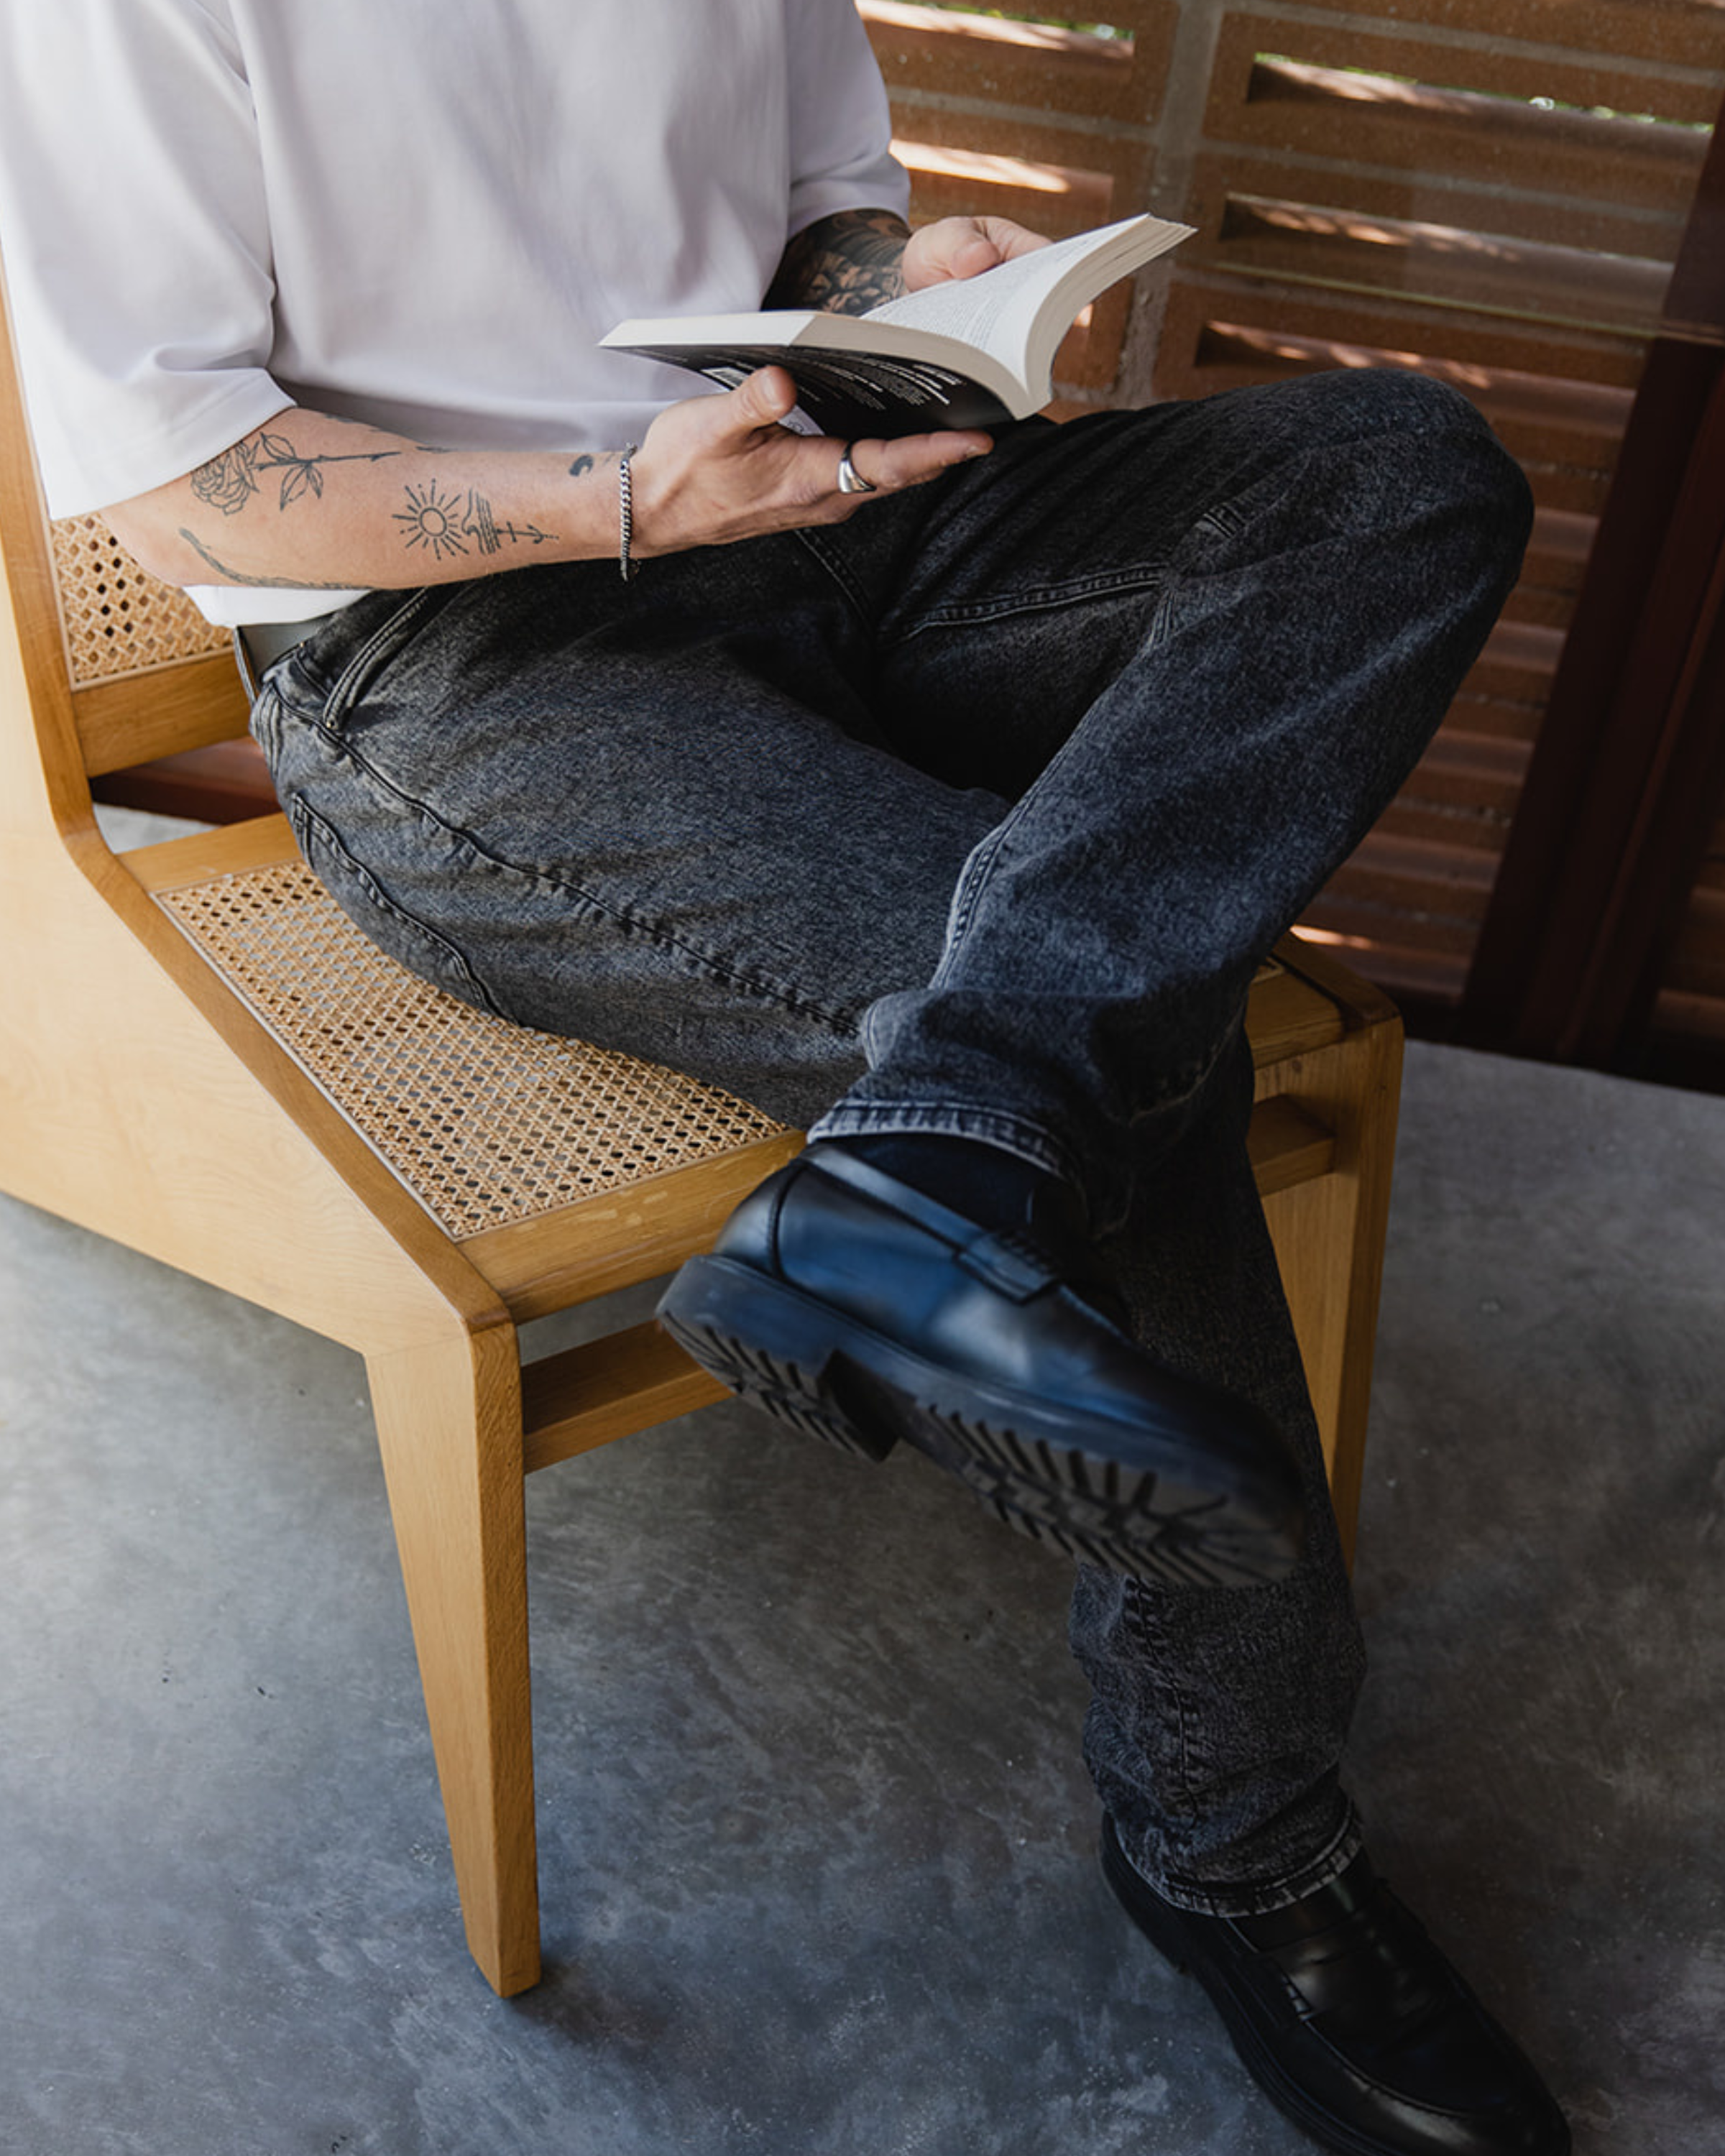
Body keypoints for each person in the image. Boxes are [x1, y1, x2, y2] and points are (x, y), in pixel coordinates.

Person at [0, 5, 1568, 2150]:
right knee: (1091, 1002)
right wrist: (626, 490)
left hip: (845, 513)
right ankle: (1241, 1836)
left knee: (1398, 466)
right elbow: (191, 483)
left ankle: (924, 1159)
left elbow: (814, 204)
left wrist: (903, 303)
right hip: (461, 661)